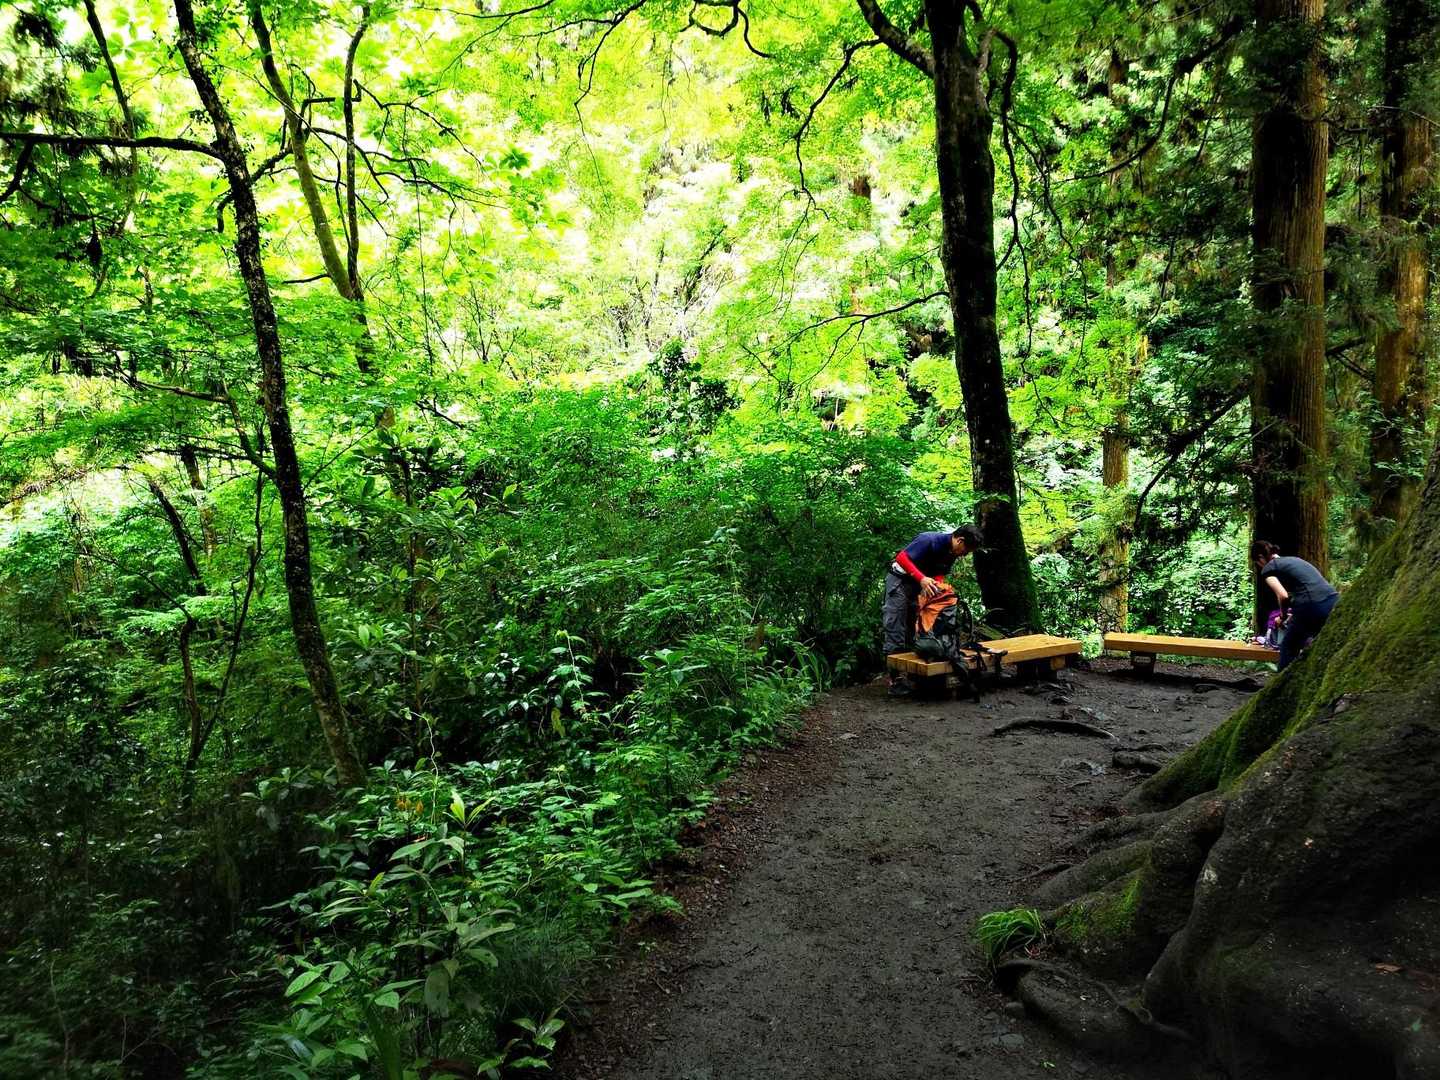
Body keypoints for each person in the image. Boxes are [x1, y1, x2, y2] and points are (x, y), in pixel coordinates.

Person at [884, 524, 982, 696]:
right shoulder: (928, 540)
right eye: (966, 550)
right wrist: (922, 578)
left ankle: (915, 674)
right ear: (960, 541)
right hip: (900, 583)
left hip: (920, 588)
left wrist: (938, 587)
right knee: (895, 627)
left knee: (916, 628)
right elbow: (902, 558)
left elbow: (939, 573)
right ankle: (895, 680)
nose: (965, 554)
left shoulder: (951, 553)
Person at [1250, 540, 1338, 670]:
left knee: (1288, 647)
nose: (1260, 567)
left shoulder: (1269, 568)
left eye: (1258, 563)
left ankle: (1283, 681)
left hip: (1312, 605)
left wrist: (1283, 616)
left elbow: (1283, 595)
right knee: (1322, 643)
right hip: (1332, 599)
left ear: (1261, 558)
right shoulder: (1294, 560)